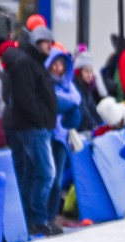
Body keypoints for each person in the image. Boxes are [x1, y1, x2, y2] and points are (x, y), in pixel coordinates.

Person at [1, 26, 59, 237]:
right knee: (45, 173)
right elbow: (25, 96)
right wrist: (40, 119)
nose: (49, 46)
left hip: (34, 126)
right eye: (45, 42)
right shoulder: (27, 63)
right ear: (36, 43)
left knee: (33, 173)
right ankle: (38, 219)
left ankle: (30, 219)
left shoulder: (33, 63)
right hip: (33, 127)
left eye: (51, 43)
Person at [45, 48, 82, 231]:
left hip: (61, 136)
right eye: (55, 64)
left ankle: (51, 216)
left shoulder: (68, 85)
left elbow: (76, 99)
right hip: (47, 133)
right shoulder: (45, 84)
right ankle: (41, 217)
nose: (58, 68)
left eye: (61, 65)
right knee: (46, 176)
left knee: (57, 178)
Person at [72, 51, 105, 131]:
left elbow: (92, 108)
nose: (90, 75)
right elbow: (83, 110)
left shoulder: (85, 87)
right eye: (86, 71)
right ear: (79, 72)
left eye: (91, 71)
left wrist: (103, 125)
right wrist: (95, 127)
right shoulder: (75, 87)